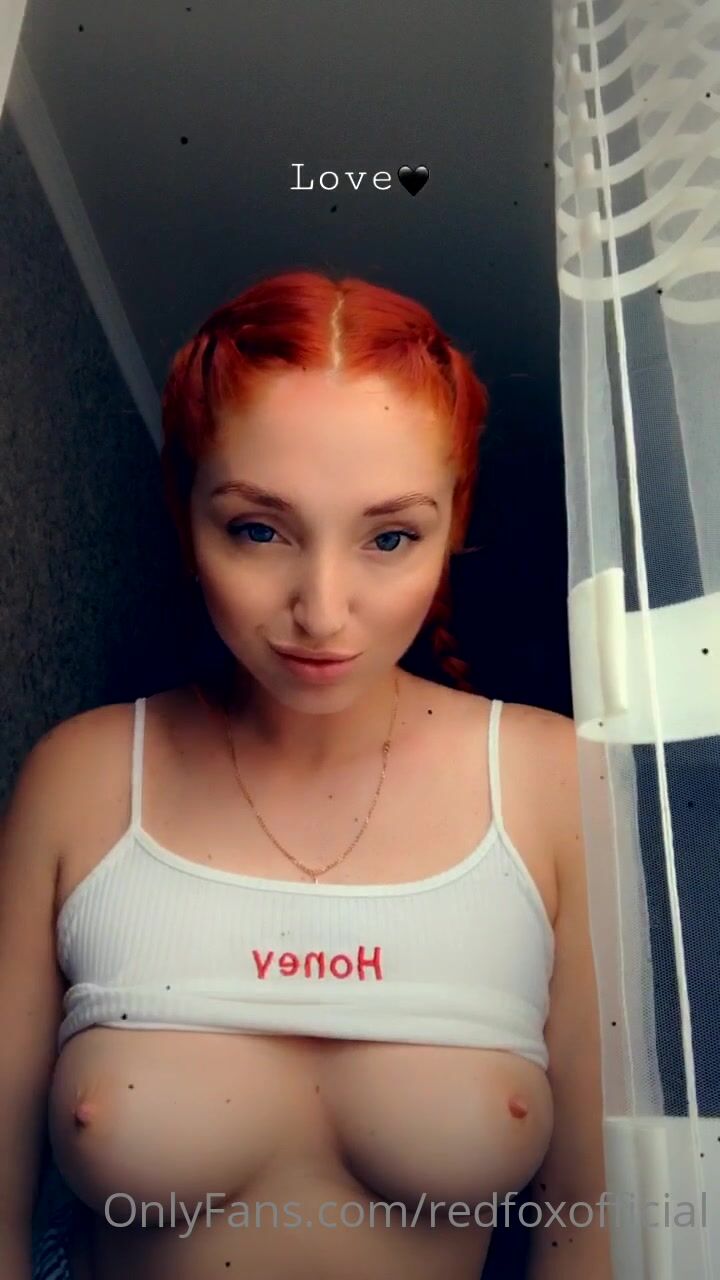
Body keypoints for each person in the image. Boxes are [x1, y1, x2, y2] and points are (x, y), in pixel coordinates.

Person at [1, 271, 611, 1279]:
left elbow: (592, 1236)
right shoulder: (82, 779)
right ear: (184, 513)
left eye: (389, 536)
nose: (322, 611)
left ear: (454, 523)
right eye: (259, 528)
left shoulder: (554, 784)